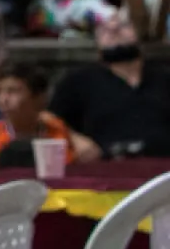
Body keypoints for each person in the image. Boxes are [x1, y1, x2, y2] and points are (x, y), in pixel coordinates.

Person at [51, 13, 170, 158]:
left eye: (123, 25)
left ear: (140, 33)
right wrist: (73, 138)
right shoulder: (79, 80)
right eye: (104, 29)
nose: (113, 29)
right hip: (105, 168)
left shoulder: (164, 77)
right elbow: (47, 119)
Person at [0, 65, 98, 171]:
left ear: (39, 98)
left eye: (13, 91)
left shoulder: (57, 131)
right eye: (0, 92)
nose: (3, 100)